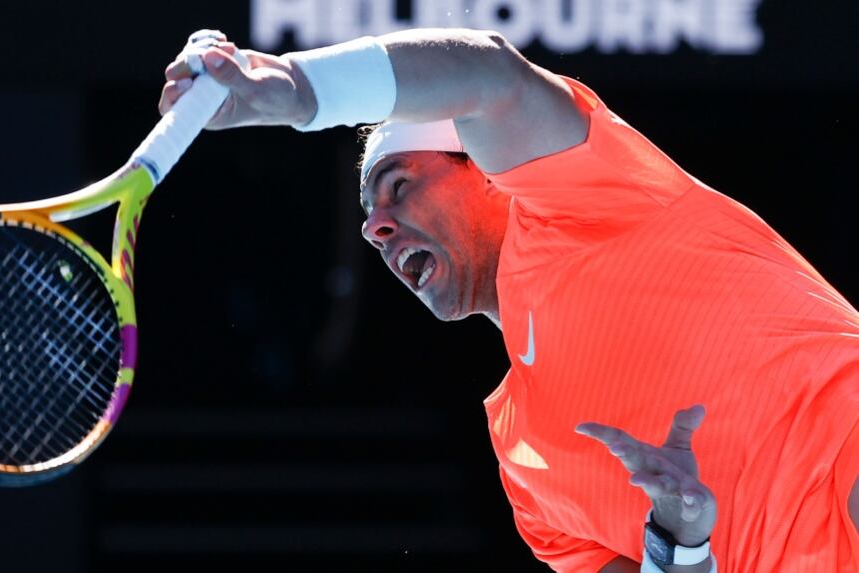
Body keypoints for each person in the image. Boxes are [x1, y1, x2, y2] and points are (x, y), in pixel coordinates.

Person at [157, 28, 859, 572]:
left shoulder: (588, 205)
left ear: (490, 171)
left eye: (400, 186)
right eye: (370, 219)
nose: (376, 228)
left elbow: (489, 77)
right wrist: (678, 540)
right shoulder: (524, 466)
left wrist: (295, 86)